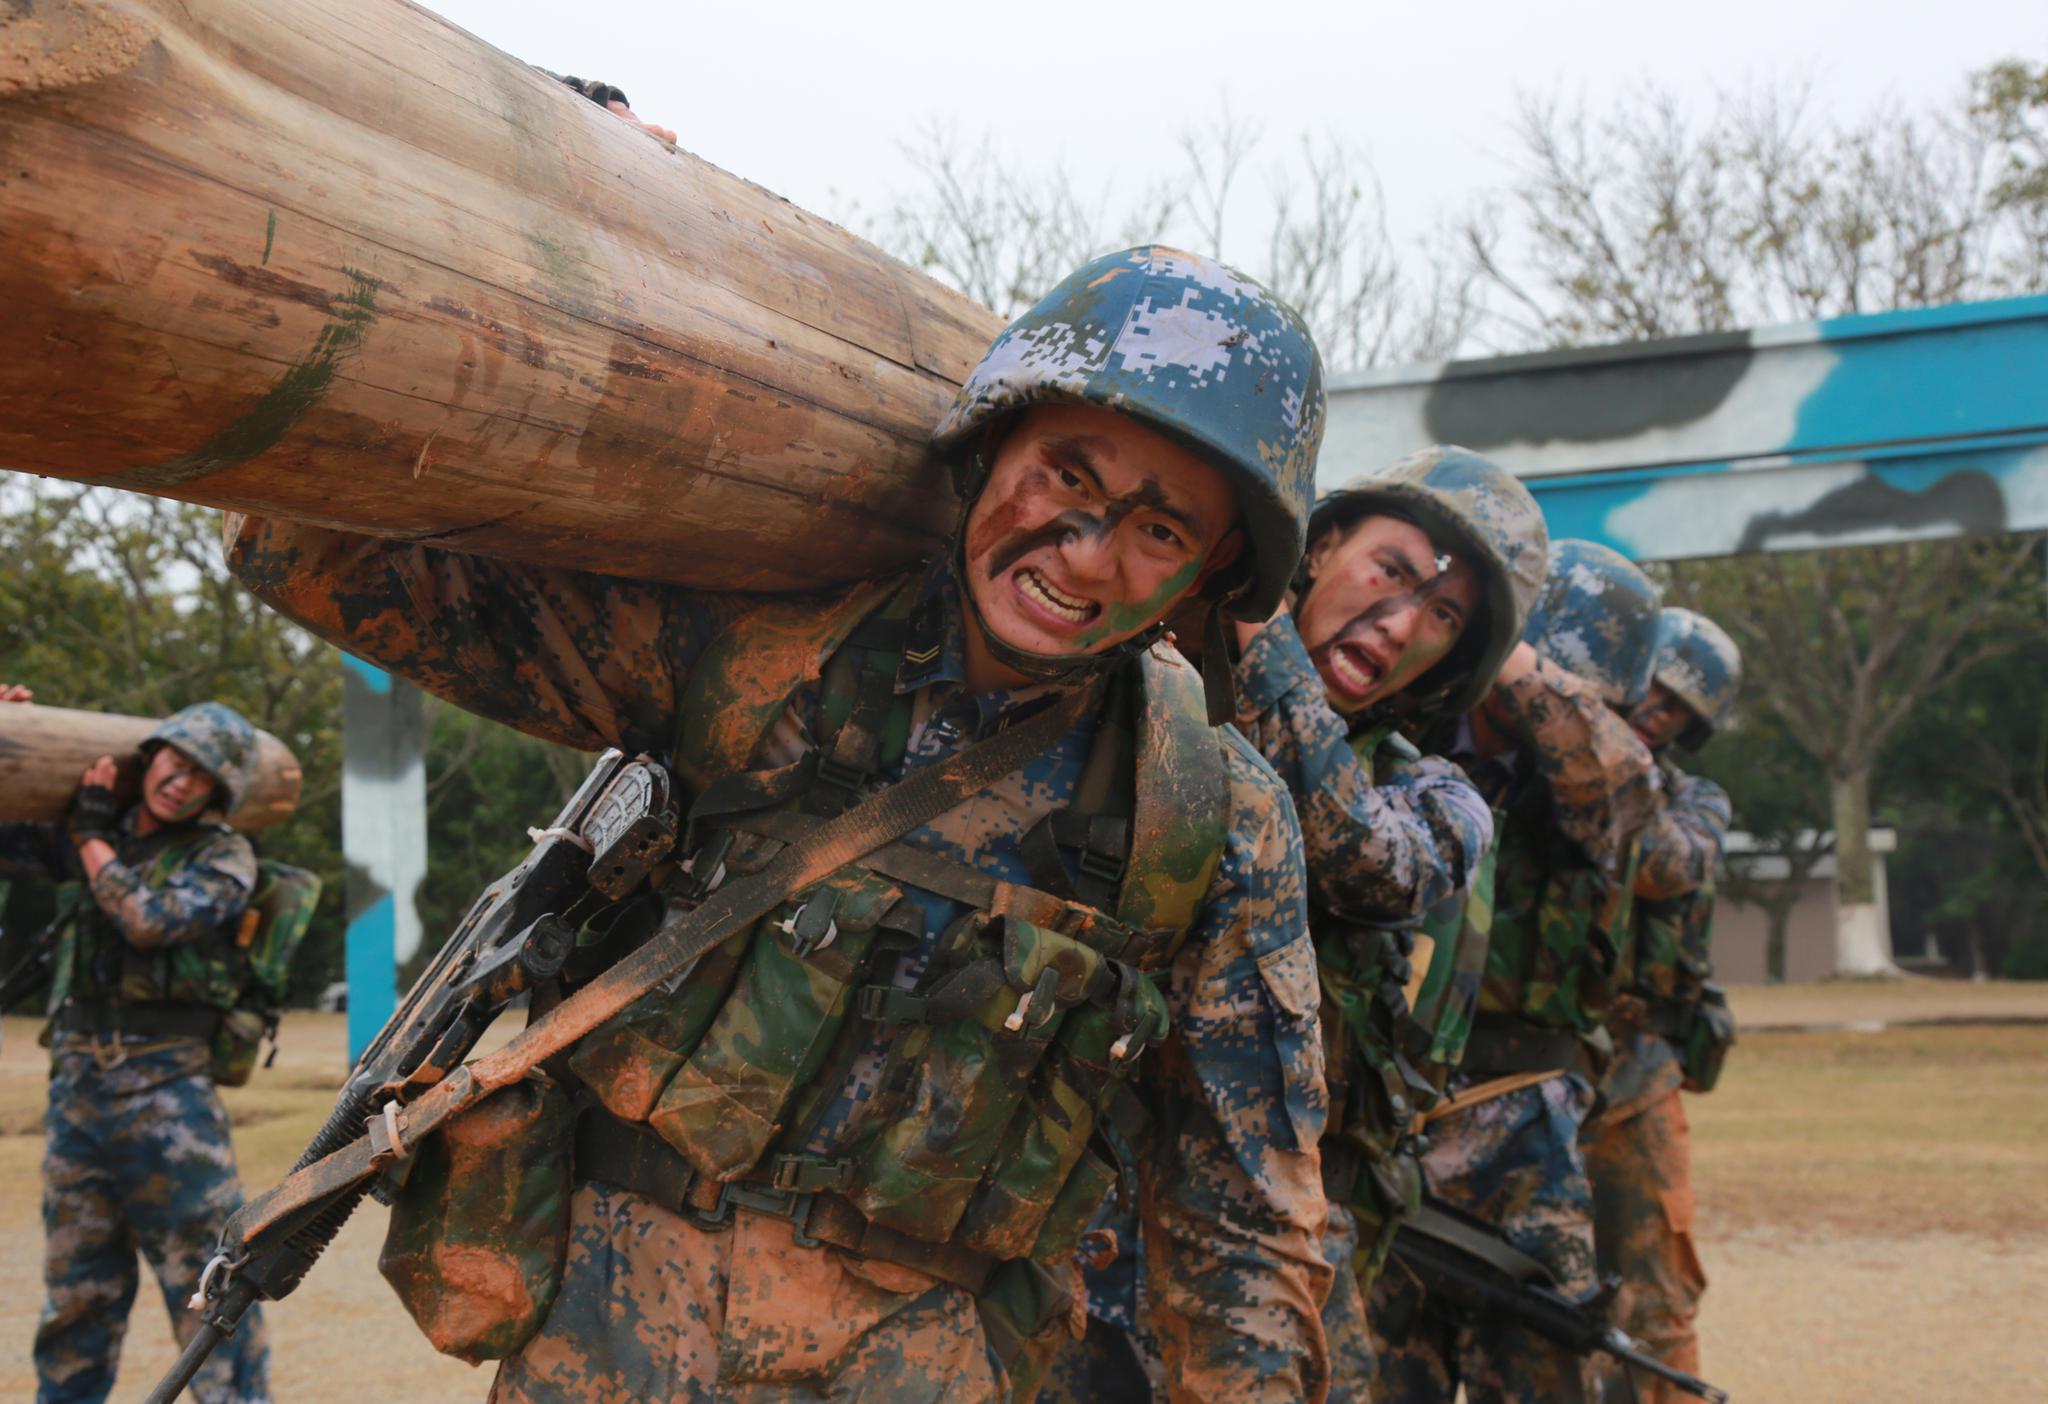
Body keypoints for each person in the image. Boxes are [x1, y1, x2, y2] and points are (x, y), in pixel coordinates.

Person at [227, 246, 1336, 1402]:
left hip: (920, 1364)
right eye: (1067, 475)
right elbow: (314, 553)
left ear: (1211, 571)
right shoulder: (765, 650)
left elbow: (1241, 1213)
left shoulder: (1208, 812)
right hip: (606, 1336)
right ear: (990, 443)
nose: (1086, 552)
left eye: (1160, 533)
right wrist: (555, 228)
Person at [1045, 446, 1551, 1402]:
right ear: (1317, 550)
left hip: (1267, 1256)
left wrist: (1259, 624)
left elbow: (1363, 860)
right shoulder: (1136, 696)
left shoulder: (1441, 800)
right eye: (1391, 572)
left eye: (1442, 614)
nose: (1401, 622)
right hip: (1065, 1223)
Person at [1368, 540, 1662, 1404]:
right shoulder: (1407, 736)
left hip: (1528, 1137)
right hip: (1393, 1125)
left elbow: (1619, 781)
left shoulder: (1598, 787)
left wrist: (1518, 662)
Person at [0, 696, 272, 1404]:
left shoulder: (224, 856)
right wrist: (9, 736)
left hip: (171, 1106)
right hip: (79, 1103)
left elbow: (151, 920)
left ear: (218, 792)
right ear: (150, 757)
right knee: (75, 1301)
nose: (179, 780)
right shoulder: (90, 831)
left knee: (213, 1298)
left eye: (200, 774)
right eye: (174, 760)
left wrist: (91, 838)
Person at [1583, 608, 1742, 1403]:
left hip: (1637, 1080)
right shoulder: (1540, 765)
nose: (1654, 709)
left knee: (1656, 1297)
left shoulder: (1697, 801)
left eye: (1677, 706)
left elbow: (1664, 869)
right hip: (1530, 1071)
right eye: (1650, 686)